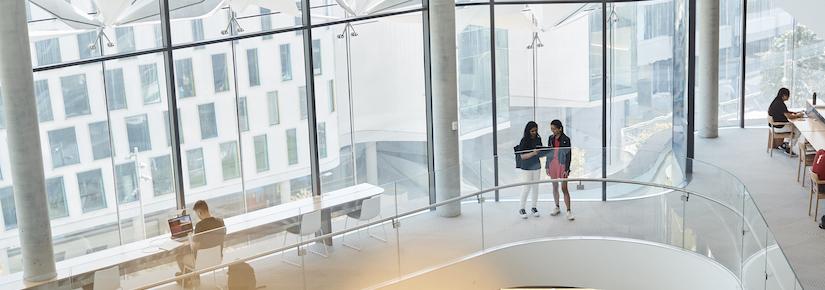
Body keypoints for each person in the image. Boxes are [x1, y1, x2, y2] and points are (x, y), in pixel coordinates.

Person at [176, 200, 227, 278]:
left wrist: (190, 240)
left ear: (199, 212)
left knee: (179, 257)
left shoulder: (199, 225)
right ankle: (191, 278)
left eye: (197, 214)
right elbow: (222, 237)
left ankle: (188, 280)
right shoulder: (220, 221)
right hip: (217, 259)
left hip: (202, 262)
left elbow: (194, 247)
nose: (198, 216)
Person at [545, 120, 574, 221]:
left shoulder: (566, 139)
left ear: (560, 128)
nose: (552, 130)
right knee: (554, 186)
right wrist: (547, 166)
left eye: (554, 129)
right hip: (553, 164)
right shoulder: (550, 138)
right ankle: (557, 207)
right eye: (551, 128)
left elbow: (569, 155)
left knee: (564, 188)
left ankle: (569, 210)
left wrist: (567, 169)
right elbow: (548, 152)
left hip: (562, 165)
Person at [516, 121, 544, 219]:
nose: (534, 132)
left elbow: (540, 152)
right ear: (528, 131)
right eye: (532, 131)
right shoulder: (524, 140)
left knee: (535, 187)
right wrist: (533, 153)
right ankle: (522, 208)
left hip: (536, 166)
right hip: (527, 167)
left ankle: (534, 207)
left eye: (536, 130)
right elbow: (522, 156)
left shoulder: (538, 139)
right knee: (526, 187)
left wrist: (543, 152)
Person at [768, 88, 803, 155]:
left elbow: (785, 112)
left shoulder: (776, 101)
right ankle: (789, 148)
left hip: (773, 125)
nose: (788, 97)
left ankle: (785, 144)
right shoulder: (780, 104)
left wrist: (795, 113)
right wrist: (799, 115)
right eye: (788, 96)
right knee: (798, 130)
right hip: (778, 127)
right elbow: (789, 116)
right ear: (784, 95)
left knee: (792, 126)